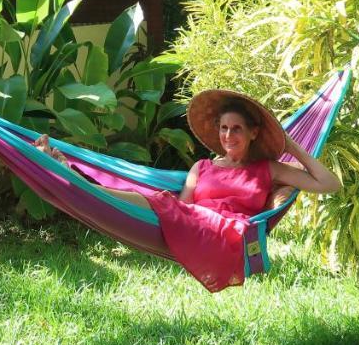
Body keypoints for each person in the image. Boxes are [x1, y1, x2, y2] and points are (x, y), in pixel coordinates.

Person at [33, 88, 340, 292]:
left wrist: (292, 146)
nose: (228, 135)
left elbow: (330, 184)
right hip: (190, 224)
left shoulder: (267, 168)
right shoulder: (201, 168)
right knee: (162, 203)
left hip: (228, 234)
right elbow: (180, 209)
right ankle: (81, 183)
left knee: (160, 203)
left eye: (236, 129)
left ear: (253, 133)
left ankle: (80, 184)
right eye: (223, 128)